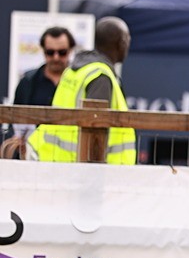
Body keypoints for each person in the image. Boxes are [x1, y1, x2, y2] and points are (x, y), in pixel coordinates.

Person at [26, 17, 136, 164]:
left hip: (55, 161)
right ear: (122, 42)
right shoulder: (100, 76)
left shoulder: (75, 70)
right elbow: (95, 131)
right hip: (80, 169)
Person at [2, 27, 76, 157]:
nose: (56, 57)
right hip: (31, 156)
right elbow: (15, 121)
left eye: (62, 52)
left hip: (69, 158)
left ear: (71, 50)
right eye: (50, 52)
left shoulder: (78, 81)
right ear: (43, 51)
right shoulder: (28, 82)